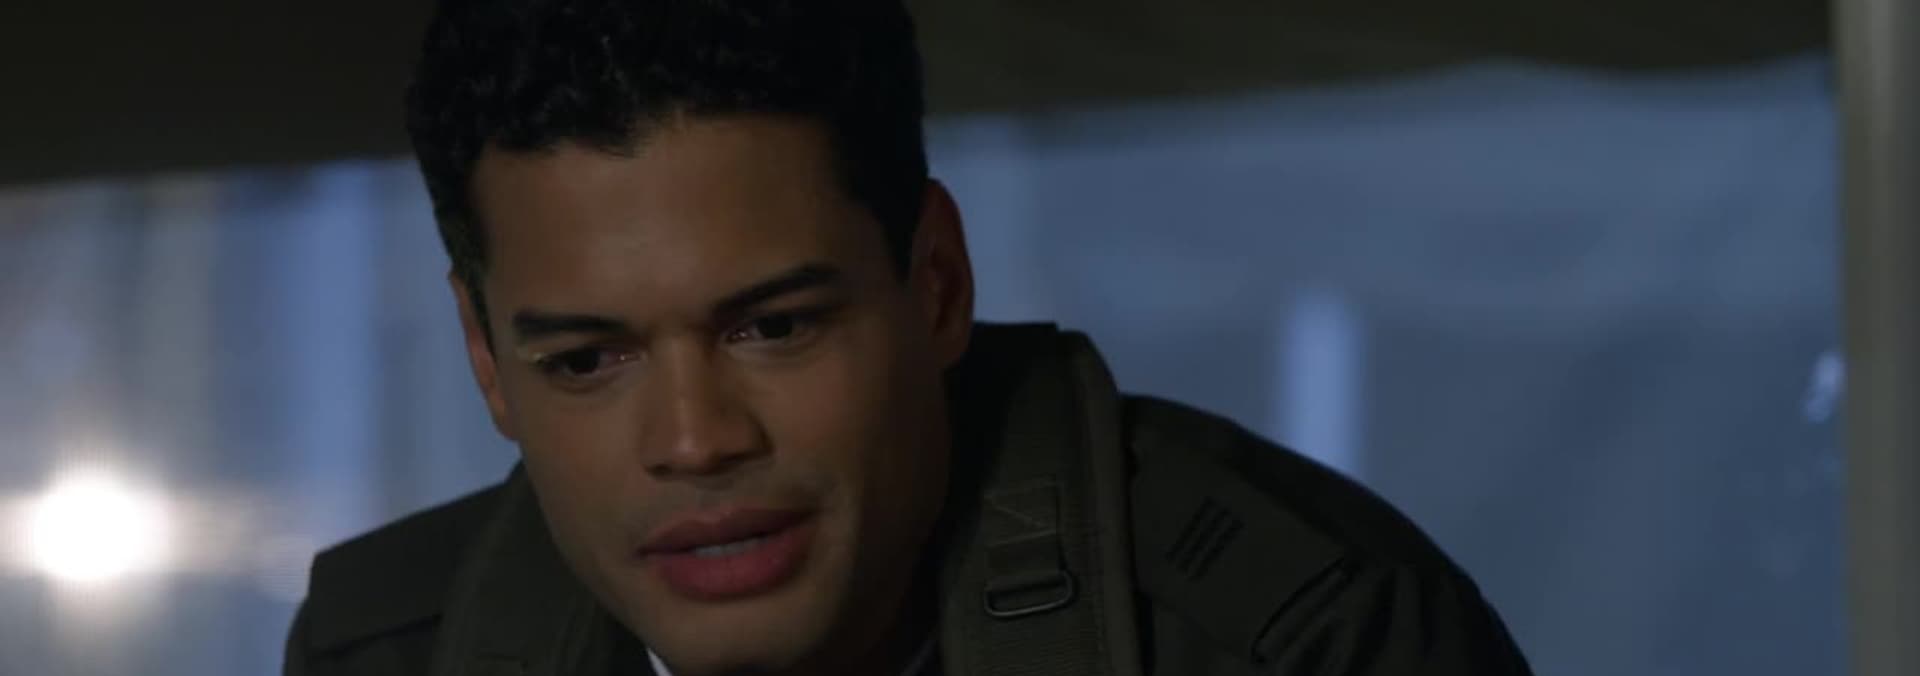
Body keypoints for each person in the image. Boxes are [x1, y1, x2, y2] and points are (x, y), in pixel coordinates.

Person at [284, 1, 1534, 674]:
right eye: (586, 361)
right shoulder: (391, 653)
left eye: (774, 325)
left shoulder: (1305, 636)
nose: (695, 440)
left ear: (935, 285)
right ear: (485, 359)